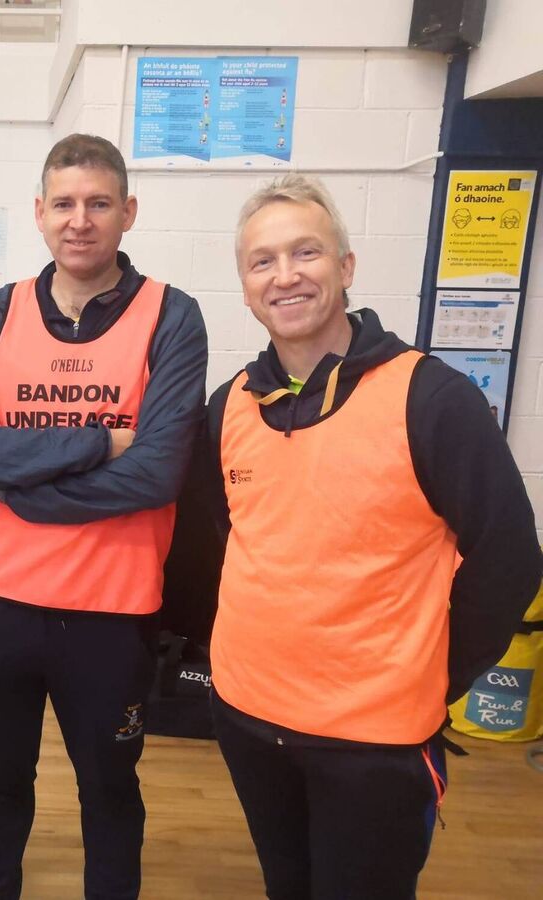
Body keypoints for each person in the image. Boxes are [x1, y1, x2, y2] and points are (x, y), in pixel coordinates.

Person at [206, 174, 543, 899]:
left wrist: (435, 673)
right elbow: (222, 542)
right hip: (248, 717)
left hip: (374, 742)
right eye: (262, 261)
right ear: (244, 284)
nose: (286, 275)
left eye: (307, 253)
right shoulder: (230, 402)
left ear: (346, 268)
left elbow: (510, 558)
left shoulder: (430, 397)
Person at [0, 133, 208, 899]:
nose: (79, 220)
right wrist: (96, 442)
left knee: (111, 796)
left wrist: (17, 477)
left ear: (127, 212)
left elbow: (156, 475)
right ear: (39, 214)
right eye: (63, 204)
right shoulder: (0, 310)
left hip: (110, 618)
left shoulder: (172, 317)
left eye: (97, 204)